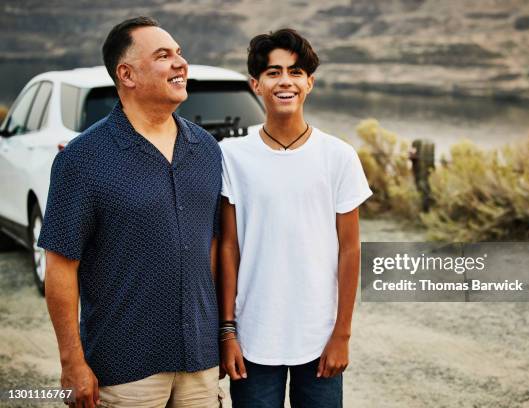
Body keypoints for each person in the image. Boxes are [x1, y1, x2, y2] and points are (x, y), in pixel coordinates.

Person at [39, 16, 222, 408]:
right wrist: (72, 361)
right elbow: (60, 266)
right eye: (163, 55)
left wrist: (221, 335)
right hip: (124, 369)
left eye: (179, 53)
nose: (180, 63)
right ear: (127, 74)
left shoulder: (206, 149)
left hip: (201, 364)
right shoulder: (83, 160)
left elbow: (211, 251)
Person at [219, 28, 372, 407]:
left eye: (296, 71)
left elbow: (350, 250)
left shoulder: (338, 156)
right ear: (256, 84)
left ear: (310, 83)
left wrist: (342, 334)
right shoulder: (232, 156)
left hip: (318, 339)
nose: (285, 80)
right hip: (254, 339)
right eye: (273, 72)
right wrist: (228, 332)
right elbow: (228, 247)